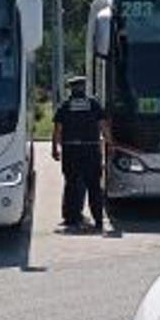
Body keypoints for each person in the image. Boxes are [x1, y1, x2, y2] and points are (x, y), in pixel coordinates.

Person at [51, 75, 109, 234]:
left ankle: (72, 219)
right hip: (91, 150)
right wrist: (109, 144)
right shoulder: (93, 104)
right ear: (84, 87)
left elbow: (57, 129)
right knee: (94, 186)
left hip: (71, 151)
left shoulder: (65, 106)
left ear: (71, 89)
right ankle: (98, 221)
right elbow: (103, 126)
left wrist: (54, 148)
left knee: (71, 184)